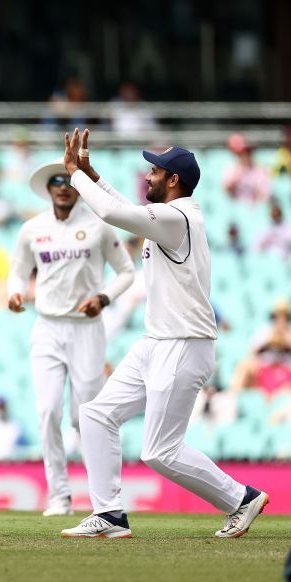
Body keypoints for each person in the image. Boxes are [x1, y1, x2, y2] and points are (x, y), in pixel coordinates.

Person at [60, 128, 268, 539]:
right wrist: (92, 173)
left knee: (159, 450)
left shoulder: (181, 216)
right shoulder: (170, 217)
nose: (147, 177)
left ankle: (240, 498)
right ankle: (110, 516)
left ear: (174, 180)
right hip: (156, 343)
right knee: (96, 415)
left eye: (154, 171)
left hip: (184, 344)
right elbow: (126, 207)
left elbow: (116, 215)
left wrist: (75, 176)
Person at [8, 158, 135, 516]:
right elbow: (17, 271)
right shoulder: (32, 229)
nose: (64, 186)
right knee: (48, 411)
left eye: (69, 181)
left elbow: (126, 273)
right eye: (57, 181)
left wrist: (104, 298)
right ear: (48, 189)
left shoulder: (99, 226)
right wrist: (15, 292)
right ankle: (59, 496)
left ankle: (105, 500)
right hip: (46, 326)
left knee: (87, 418)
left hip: (86, 329)